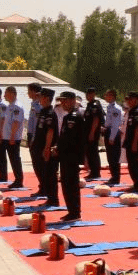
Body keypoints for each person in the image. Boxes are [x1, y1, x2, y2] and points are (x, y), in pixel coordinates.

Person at [51, 91, 86, 222]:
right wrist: (57, 147)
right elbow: (63, 137)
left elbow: (74, 139)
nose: (62, 104)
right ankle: (71, 210)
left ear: (72, 101)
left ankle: (75, 212)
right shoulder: (67, 117)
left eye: (65, 101)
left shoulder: (77, 116)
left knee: (71, 184)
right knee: (66, 183)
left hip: (71, 156)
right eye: (61, 101)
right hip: (65, 156)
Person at [33, 88, 59, 204]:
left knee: (50, 174)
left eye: (41, 97)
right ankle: (48, 194)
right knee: (44, 172)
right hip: (39, 146)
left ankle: (53, 199)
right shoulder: (43, 111)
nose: (39, 99)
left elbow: (50, 131)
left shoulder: (50, 113)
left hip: (47, 148)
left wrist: (47, 148)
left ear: (47, 98)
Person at [0, 86, 25, 190]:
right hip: (8, 137)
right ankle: (17, 179)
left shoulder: (16, 107)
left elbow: (16, 122)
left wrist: (12, 136)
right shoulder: (10, 106)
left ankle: (19, 180)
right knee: (12, 159)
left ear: (12, 94)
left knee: (15, 159)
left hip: (13, 138)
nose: (4, 96)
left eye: (6, 93)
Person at [123, 91, 138, 193]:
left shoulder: (137, 111)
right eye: (127, 99)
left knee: (136, 164)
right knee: (131, 164)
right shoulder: (131, 111)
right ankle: (136, 183)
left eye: (130, 99)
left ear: (136, 100)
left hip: (135, 142)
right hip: (130, 141)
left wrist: (135, 143)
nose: (128, 101)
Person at [101, 89, 124, 185]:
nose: (105, 96)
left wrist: (112, 137)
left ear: (112, 96)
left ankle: (116, 177)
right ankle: (113, 175)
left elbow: (115, 124)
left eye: (107, 95)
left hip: (113, 132)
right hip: (108, 131)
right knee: (110, 156)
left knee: (114, 156)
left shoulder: (116, 108)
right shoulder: (109, 107)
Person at [83, 87, 105, 180]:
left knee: (93, 152)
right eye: (87, 94)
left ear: (93, 94)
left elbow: (96, 120)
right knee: (89, 152)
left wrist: (92, 133)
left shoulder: (95, 105)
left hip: (93, 132)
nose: (87, 96)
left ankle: (95, 172)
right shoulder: (90, 105)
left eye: (89, 94)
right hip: (88, 132)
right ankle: (93, 171)